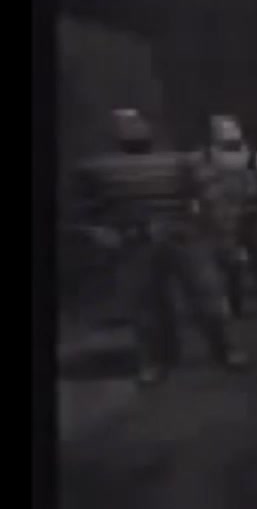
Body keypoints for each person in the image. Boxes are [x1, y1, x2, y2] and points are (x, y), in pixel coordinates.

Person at [73, 109, 247, 386]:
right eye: (126, 126)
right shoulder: (97, 170)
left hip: (182, 237)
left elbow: (212, 198)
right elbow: (83, 211)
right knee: (144, 307)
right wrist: (100, 232)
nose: (133, 130)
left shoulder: (181, 162)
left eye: (137, 125)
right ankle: (153, 360)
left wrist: (219, 234)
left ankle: (227, 349)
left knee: (207, 298)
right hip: (135, 242)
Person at [199, 114, 257, 319]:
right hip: (223, 218)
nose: (228, 132)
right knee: (228, 264)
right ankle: (234, 305)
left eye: (231, 127)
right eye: (222, 129)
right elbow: (200, 190)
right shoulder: (205, 160)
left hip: (254, 215)